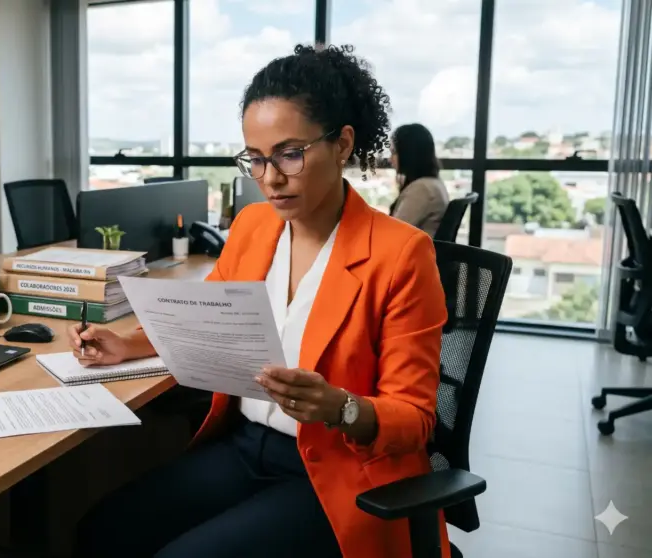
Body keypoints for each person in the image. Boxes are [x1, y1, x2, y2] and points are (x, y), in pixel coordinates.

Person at [70, 44, 449, 558]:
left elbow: (416, 418)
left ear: (342, 145)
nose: (270, 178)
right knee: (101, 530)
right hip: (245, 445)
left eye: (290, 153)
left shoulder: (401, 254)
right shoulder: (253, 226)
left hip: (336, 467)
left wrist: (339, 407)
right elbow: (205, 325)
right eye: (255, 158)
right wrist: (125, 345)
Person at [389, 123, 449, 237]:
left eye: (394, 152)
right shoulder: (432, 184)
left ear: (408, 153)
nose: (390, 159)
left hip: (413, 253)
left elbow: (393, 234)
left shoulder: (422, 190)